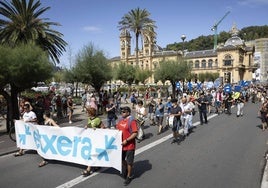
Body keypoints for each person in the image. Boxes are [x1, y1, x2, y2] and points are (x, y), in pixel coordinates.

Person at [116, 106, 138, 186]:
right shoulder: (120, 120)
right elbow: (117, 130)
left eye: (124, 112)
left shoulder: (132, 121)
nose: (122, 113)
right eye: (121, 111)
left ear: (128, 113)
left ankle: (129, 176)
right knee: (121, 160)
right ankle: (126, 168)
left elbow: (135, 133)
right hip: (121, 145)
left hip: (129, 145)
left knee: (129, 162)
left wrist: (127, 140)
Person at [81, 107, 105, 176]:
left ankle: (88, 170)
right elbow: (89, 125)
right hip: (91, 139)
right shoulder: (89, 119)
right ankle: (97, 165)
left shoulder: (97, 119)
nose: (86, 113)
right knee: (92, 153)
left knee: (91, 153)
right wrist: (86, 126)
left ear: (91, 113)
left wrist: (96, 129)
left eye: (87, 112)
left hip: (97, 139)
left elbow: (103, 128)